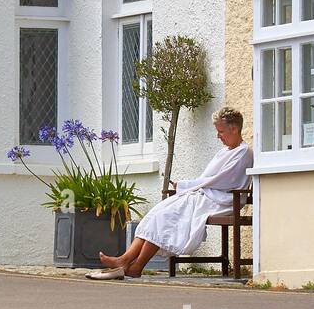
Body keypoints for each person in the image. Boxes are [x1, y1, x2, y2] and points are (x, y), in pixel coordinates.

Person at [88, 107, 252, 280]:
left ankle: (136, 265)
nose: (218, 136)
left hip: (220, 201)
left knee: (165, 217)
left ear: (234, 129)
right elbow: (209, 179)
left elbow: (222, 181)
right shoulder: (225, 152)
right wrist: (187, 186)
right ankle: (126, 260)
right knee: (157, 213)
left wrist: (185, 185)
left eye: (221, 131)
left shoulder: (244, 153)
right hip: (205, 196)